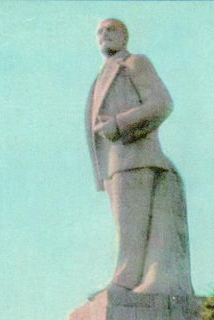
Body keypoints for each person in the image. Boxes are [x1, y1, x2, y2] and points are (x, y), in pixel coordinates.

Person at [86, 18, 193, 295]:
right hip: (114, 164)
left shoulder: (134, 63)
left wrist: (119, 124)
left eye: (111, 29)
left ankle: (124, 281)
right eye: (100, 31)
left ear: (125, 37)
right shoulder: (101, 75)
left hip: (137, 157)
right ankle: (126, 279)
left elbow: (161, 103)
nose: (104, 34)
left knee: (131, 229)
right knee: (126, 227)